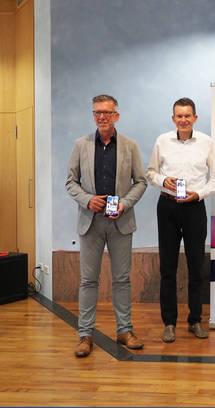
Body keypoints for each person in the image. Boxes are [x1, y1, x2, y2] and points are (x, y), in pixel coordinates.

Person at [66, 94, 147, 357]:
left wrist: (125, 203)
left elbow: (141, 181)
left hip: (120, 222)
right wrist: (87, 200)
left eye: (107, 112)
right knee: (88, 281)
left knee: (122, 280)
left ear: (116, 116)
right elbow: (71, 182)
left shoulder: (130, 146)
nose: (102, 117)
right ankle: (85, 335)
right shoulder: (81, 145)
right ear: (94, 115)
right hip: (90, 223)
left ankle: (125, 331)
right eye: (97, 112)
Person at [146, 97, 215, 343]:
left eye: (187, 115)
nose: (183, 120)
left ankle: (195, 320)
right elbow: (150, 173)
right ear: (173, 118)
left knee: (196, 267)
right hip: (167, 207)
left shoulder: (207, 143)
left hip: (194, 208)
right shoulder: (162, 141)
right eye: (179, 116)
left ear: (195, 118)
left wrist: (198, 194)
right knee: (167, 268)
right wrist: (163, 180)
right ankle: (169, 323)